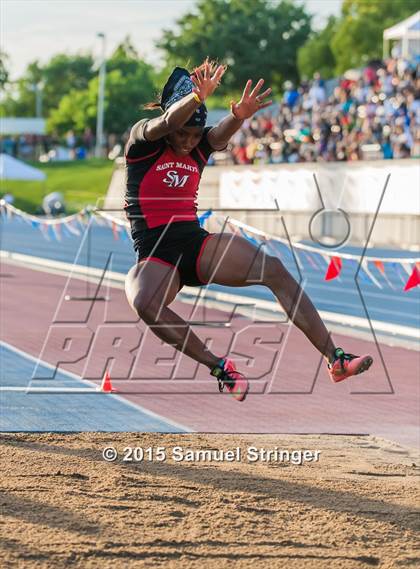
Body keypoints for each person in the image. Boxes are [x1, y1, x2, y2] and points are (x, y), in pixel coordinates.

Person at [124, 59, 373, 402]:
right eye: (182, 134)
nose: (187, 141)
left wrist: (240, 116)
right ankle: (220, 367)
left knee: (273, 269)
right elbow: (168, 122)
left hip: (194, 244)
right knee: (144, 303)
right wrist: (196, 98)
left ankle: (336, 359)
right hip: (155, 251)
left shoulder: (199, 146)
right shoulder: (143, 142)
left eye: (194, 135)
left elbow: (217, 134)